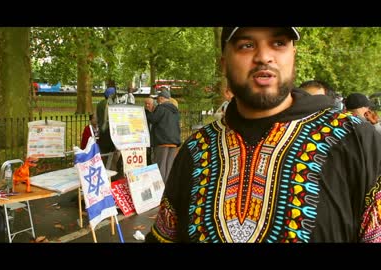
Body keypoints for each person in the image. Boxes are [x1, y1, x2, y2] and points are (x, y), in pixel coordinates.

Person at [146, 27, 381, 243]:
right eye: (247, 45)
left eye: (278, 43)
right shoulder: (196, 149)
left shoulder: (354, 137)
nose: (264, 57)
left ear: (293, 56)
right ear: (224, 63)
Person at [145, 89, 181, 183]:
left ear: (161, 98)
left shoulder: (162, 108)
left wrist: (148, 111)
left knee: (160, 166)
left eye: (157, 99)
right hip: (174, 142)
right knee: (168, 167)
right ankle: (167, 190)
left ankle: (159, 190)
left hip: (162, 141)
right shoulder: (175, 110)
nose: (157, 101)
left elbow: (152, 119)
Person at [144, 97, 156, 165]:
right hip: (146, 137)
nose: (147, 105)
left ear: (153, 105)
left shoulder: (156, 113)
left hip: (154, 138)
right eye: (145, 104)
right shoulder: (144, 112)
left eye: (148, 104)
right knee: (147, 155)